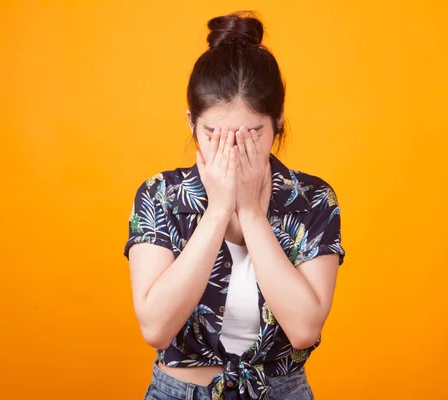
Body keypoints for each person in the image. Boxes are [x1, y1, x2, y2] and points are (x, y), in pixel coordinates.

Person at [124, 11, 345, 400]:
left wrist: (251, 211)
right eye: (214, 134)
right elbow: (155, 328)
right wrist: (218, 209)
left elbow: (305, 328)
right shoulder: (160, 195)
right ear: (191, 123)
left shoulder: (312, 199)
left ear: (278, 122)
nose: (233, 149)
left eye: (252, 133)